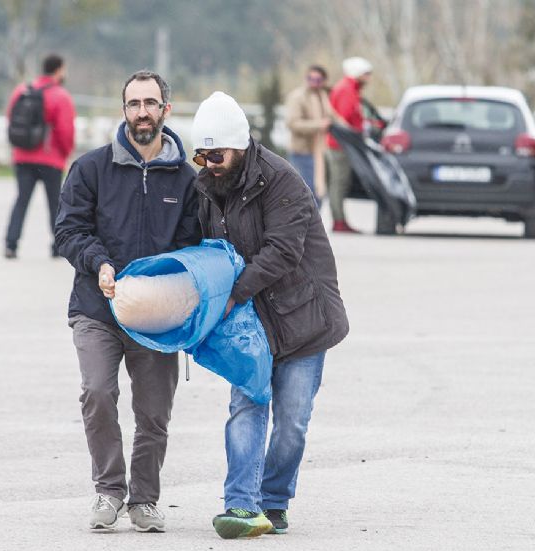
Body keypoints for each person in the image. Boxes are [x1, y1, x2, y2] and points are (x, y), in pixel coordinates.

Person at [189, 91, 350, 539]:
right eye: (201, 155)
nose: (208, 163)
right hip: (250, 322)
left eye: (216, 154)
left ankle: (274, 501)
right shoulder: (206, 186)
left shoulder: (282, 180)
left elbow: (282, 250)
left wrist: (233, 295)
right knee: (247, 406)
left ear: (239, 146)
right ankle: (240, 506)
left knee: (292, 423)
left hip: (302, 320)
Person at [54, 70, 201, 533]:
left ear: (165, 110)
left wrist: (166, 279)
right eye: (134, 103)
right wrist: (99, 263)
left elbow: (194, 242)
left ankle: (144, 499)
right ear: (124, 110)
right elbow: (69, 231)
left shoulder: (186, 178)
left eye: (150, 103)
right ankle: (108, 490)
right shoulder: (92, 168)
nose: (142, 111)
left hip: (157, 314)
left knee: (154, 411)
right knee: (97, 392)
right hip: (97, 305)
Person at [4, 54, 76, 259]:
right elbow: (65, 130)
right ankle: (57, 245)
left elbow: (11, 117)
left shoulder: (22, 90)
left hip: (22, 156)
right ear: (59, 70)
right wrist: (65, 153)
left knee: (21, 200)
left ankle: (11, 244)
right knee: (55, 203)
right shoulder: (60, 96)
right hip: (50, 159)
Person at [325, 56, 373, 234]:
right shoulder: (347, 90)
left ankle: (340, 219)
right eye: (366, 74)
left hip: (342, 144)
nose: (369, 78)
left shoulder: (349, 88)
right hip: (340, 145)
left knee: (340, 182)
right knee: (339, 182)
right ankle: (339, 220)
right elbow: (344, 118)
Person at [284, 64, 333, 207]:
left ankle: (314, 224)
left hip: (320, 151)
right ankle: (306, 224)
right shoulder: (297, 97)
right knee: (306, 191)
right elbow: (292, 123)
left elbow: (332, 116)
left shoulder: (322, 96)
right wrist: (318, 125)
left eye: (318, 80)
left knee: (320, 192)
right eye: (310, 78)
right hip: (302, 151)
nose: (313, 82)